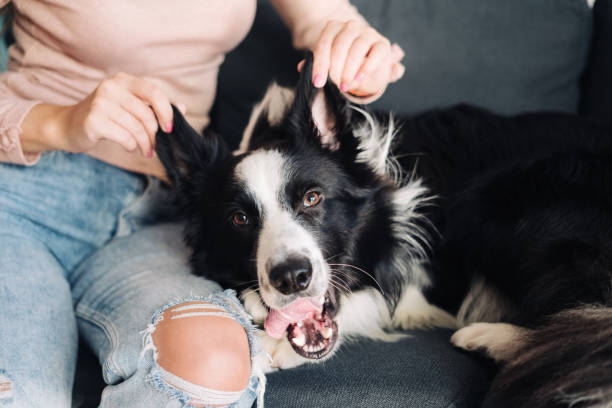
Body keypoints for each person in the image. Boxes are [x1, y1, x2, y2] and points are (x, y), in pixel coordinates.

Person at [0, 1, 404, 407]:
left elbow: (330, 24)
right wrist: (62, 122)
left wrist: (360, 56)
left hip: (162, 220)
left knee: (209, 366)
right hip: (21, 202)